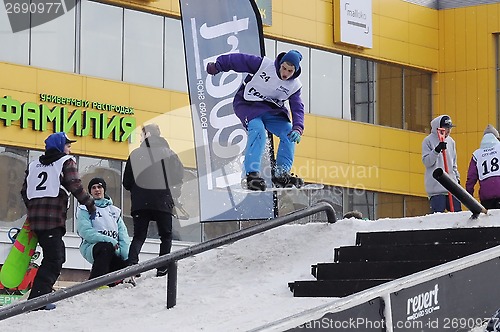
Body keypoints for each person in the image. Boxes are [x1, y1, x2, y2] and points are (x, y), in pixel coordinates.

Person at [206, 50, 305, 191]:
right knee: (258, 130)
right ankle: (250, 176)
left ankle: (281, 176)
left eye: (290, 71)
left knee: (289, 133)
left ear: (295, 71)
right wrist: (219, 65)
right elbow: (240, 60)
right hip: (248, 105)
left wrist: (298, 128)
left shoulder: (294, 86)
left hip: (272, 111)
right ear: (280, 64)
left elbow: (297, 107)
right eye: (283, 68)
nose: (285, 74)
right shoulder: (264, 65)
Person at [20, 132, 95, 310]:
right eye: (68, 145)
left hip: (35, 220)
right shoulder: (65, 162)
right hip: (52, 219)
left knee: (54, 254)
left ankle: (40, 293)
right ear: (60, 146)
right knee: (55, 258)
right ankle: (38, 299)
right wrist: (91, 204)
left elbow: (24, 191)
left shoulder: (33, 165)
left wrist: (33, 208)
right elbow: (75, 185)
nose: (70, 149)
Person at [123, 124, 184, 277]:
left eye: (141, 135)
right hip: (162, 200)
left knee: (139, 236)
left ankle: (132, 265)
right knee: (166, 236)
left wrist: (138, 190)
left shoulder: (135, 154)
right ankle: (162, 267)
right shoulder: (168, 153)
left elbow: (126, 182)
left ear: (148, 134)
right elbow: (178, 175)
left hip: (140, 202)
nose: (140, 138)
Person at [76, 177, 131, 285]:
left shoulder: (114, 211)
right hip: (93, 247)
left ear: (104, 189)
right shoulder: (85, 209)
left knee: (127, 265)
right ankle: (94, 284)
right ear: (90, 191)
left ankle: (111, 285)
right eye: (93, 188)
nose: (97, 190)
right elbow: (85, 231)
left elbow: (123, 234)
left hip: (115, 248)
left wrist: (125, 255)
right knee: (106, 248)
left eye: (99, 187)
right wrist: (110, 240)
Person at [422, 115, 462, 213]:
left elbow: (453, 164)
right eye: (446, 128)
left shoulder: (451, 142)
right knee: (438, 217)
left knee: (457, 215)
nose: (448, 131)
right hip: (436, 188)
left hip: (451, 187)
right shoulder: (428, 141)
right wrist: (437, 150)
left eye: (449, 128)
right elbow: (427, 162)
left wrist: (457, 179)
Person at [465, 124, 500, 209]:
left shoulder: (477, 154)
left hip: (486, 196)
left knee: (490, 221)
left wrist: (469, 196)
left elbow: (471, 178)